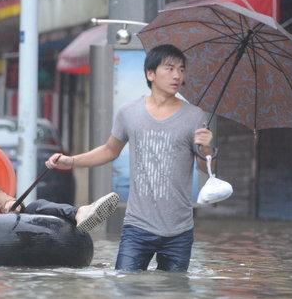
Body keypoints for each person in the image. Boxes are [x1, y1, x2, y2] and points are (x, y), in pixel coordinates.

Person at [46, 44, 214, 272]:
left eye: (182, 69)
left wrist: (206, 148)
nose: (177, 75)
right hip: (137, 226)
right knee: (125, 288)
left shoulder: (195, 116)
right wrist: (72, 161)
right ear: (150, 74)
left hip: (179, 231)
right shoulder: (129, 112)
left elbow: (206, 168)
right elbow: (109, 150)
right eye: (170, 68)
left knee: (175, 297)